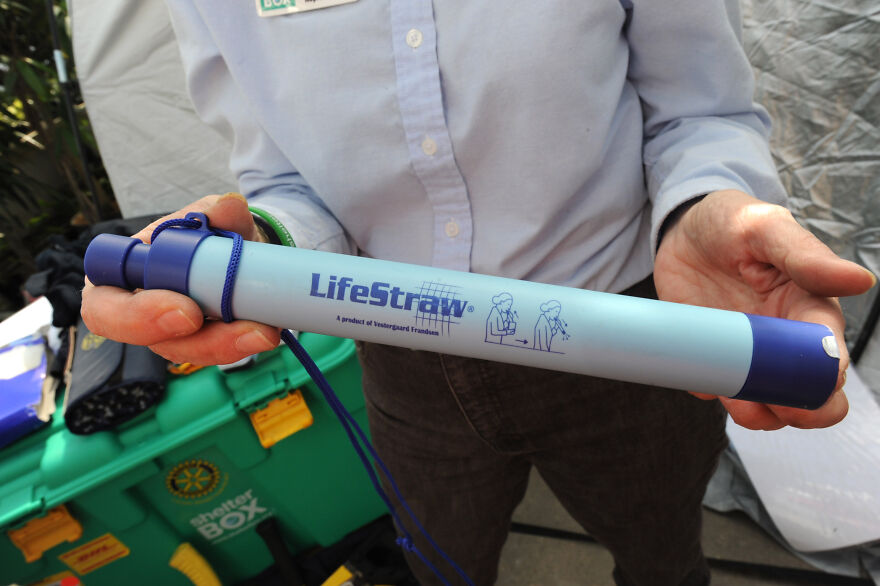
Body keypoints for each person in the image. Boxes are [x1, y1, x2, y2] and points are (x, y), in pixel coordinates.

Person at [81, 1, 876, 584]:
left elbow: (699, 109)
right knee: (439, 565)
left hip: (631, 338)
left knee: (662, 556)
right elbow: (280, 175)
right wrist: (268, 252)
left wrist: (706, 204)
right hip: (404, 365)